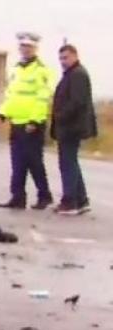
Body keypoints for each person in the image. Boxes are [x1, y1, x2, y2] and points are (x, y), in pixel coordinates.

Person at [0, 32, 55, 210]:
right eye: (22, 46)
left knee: (34, 162)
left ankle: (44, 195)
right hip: (17, 122)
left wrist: (35, 121)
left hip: (32, 124)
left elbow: (42, 97)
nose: (25, 50)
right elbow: (11, 96)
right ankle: (18, 197)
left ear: (35, 49)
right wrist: (2, 114)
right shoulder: (16, 69)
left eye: (28, 47)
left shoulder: (41, 70)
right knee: (17, 162)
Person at [51, 44, 96, 216]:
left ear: (75, 56)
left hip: (72, 127)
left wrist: (61, 115)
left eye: (66, 57)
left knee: (67, 163)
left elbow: (77, 102)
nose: (63, 61)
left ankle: (70, 202)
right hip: (69, 126)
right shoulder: (72, 74)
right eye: (61, 58)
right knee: (71, 162)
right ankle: (81, 200)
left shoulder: (78, 75)